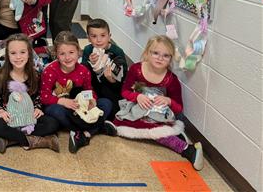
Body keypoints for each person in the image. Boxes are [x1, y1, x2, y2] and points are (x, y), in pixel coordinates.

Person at [104, 35, 204, 170]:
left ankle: (187, 149)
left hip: (156, 115)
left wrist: (168, 100)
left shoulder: (171, 80)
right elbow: (125, 91)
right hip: (137, 108)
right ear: (147, 53)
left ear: (170, 59)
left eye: (166, 55)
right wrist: (137, 96)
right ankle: (112, 127)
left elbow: (179, 107)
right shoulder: (136, 69)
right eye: (155, 53)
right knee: (124, 119)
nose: (160, 58)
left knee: (156, 131)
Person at [40, 31, 113, 154]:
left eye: (71, 52)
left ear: (78, 51)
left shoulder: (83, 70)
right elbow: (44, 96)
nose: (67, 57)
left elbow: (88, 90)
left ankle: (84, 134)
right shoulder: (50, 71)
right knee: (55, 111)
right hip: (62, 108)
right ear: (56, 54)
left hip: (80, 107)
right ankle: (97, 127)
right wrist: (62, 101)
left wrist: (92, 100)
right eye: (62, 54)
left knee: (106, 103)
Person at [0, 33, 60, 153]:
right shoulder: (0, 75)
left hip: (28, 117)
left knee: (52, 123)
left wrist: (37, 108)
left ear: (29, 53)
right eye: (13, 53)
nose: (18, 57)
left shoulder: (35, 75)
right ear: (7, 55)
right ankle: (37, 141)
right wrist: (0, 110)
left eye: (22, 52)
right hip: (10, 117)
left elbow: (37, 97)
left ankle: (11, 139)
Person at [81, 18, 128, 119]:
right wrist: (91, 64)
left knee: (114, 112)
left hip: (111, 89)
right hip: (93, 88)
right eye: (94, 36)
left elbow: (124, 81)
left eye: (103, 35)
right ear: (88, 38)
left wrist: (112, 80)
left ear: (109, 36)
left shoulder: (117, 52)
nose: (99, 40)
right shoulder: (88, 50)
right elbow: (83, 76)